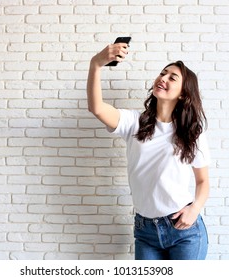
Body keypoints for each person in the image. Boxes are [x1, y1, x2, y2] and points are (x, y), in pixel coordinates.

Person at [86, 42, 211, 260]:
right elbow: (96, 108)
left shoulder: (192, 133)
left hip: (184, 230)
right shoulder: (134, 122)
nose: (163, 78)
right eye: (163, 73)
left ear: (183, 94)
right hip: (145, 231)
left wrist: (195, 208)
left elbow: (203, 181)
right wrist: (96, 63)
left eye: (172, 77)